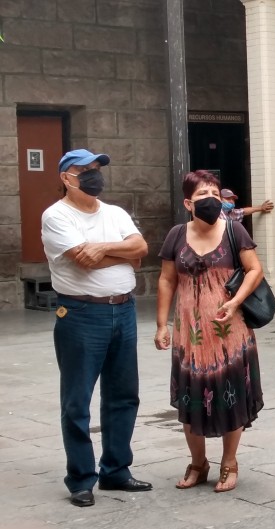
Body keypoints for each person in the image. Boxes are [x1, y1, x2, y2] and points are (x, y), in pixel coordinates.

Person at [42, 149, 151, 508]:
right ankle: (81, 478)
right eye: (83, 170)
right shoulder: (56, 216)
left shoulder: (115, 213)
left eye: (96, 169)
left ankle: (116, 470)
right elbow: (83, 262)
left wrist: (104, 247)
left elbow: (141, 249)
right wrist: (124, 252)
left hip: (124, 309)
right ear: (65, 178)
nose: (93, 175)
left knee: (123, 394)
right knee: (77, 400)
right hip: (80, 314)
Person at [155, 170, 265, 492]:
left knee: (231, 396)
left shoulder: (235, 231)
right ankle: (198, 463)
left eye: (216, 195)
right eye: (204, 196)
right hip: (190, 334)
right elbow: (166, 280)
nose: (212, 201)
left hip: (229, 331)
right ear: (189, 203)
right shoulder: (176, 235)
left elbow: (254, 269)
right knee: (191, 400)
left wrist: (236, 302)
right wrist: (162, 325)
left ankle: (229, 462)